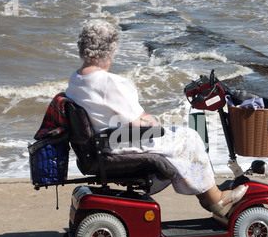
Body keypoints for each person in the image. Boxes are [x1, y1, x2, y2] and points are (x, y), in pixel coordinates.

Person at [65, 21, 248, 218]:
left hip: (105, 143)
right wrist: (153, 123)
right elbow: (137, 123)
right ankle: (216, 199)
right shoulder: (109, 82)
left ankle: (206, 196)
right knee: (189, 137)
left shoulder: (76, 79)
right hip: (121, 143)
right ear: (110, 50)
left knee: (177, 137)